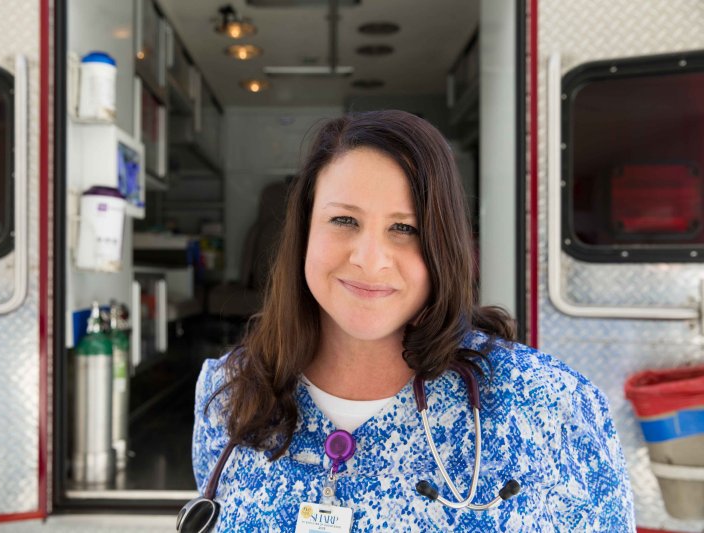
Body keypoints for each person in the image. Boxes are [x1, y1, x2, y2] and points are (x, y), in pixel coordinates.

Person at [186, 110, 635, 532]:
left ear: (444, 245)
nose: (369, 260)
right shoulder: (227, 393)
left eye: (405, 229)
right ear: (304, 232)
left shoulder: (551, 405)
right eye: (343, 219)